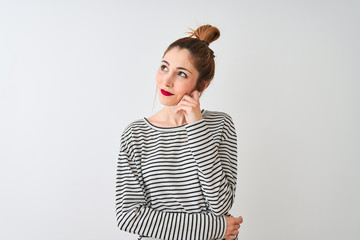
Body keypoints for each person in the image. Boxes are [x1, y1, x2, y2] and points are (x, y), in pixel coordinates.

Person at [115, 24, 243, 240]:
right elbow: (128, 216)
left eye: (181, 74)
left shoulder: (220, 124)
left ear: (202, 84)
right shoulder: (136, 134)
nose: (166, 80)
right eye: (164, 67)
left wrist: (196, 126)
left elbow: (220, 203)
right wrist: (214, 228)